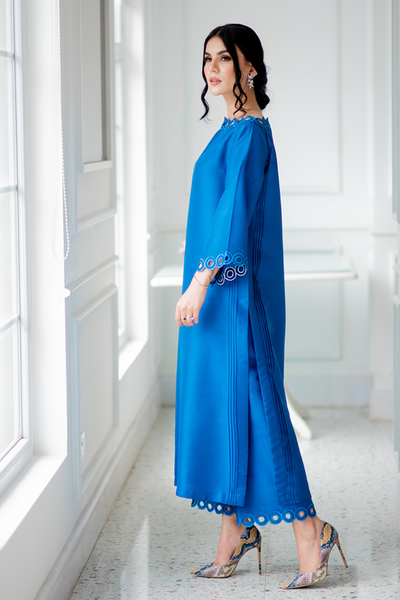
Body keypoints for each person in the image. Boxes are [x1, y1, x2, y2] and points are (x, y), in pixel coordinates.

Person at [174, 23, 348, 589]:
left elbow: (232, 216)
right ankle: (235, 532)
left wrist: (200, 282)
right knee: (226, 408)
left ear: (249, 67)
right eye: (207, 59)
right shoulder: (229, 129)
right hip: (216, 294)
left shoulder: (250, 132)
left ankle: (311, 532)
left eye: (224, 58)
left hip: (233, 294)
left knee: (260, 407)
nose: (212, 68)